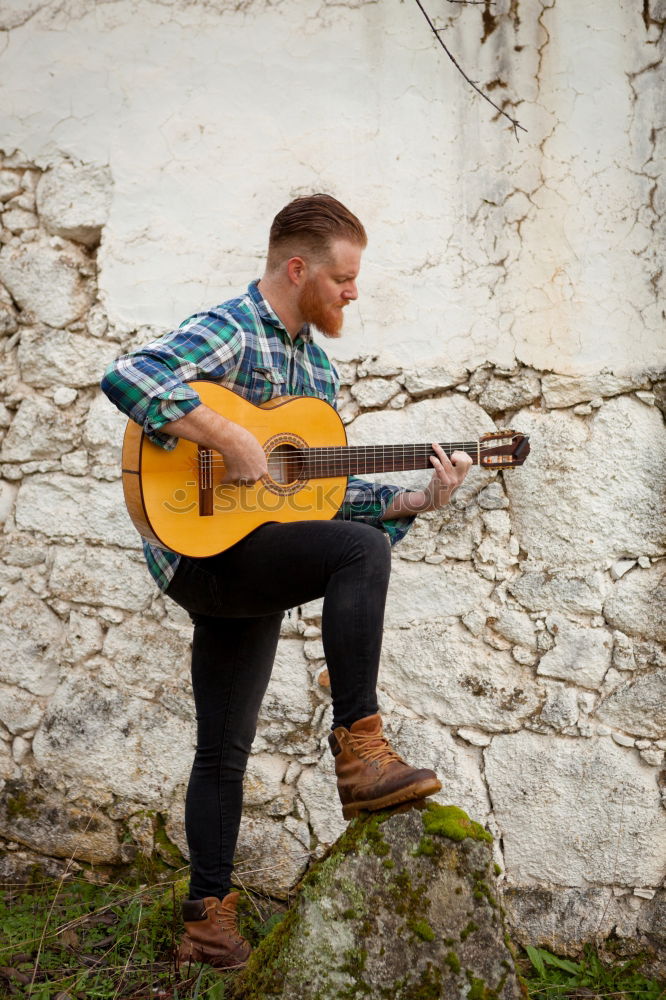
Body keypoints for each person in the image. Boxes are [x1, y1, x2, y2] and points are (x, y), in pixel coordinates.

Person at [101, 193, 473, 971]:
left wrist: (414, 498)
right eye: (343, 277)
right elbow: (130, 375)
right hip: (199, 555)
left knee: (223, 749)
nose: (353, 293)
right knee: (358, 557)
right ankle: (362, 753)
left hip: (250, 550)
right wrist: (224, 431)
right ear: (298, 268)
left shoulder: (316, 369)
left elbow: (320, 499)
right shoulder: (235, 327)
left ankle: (207, 922)